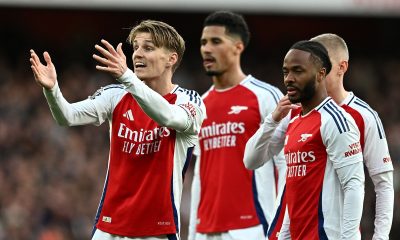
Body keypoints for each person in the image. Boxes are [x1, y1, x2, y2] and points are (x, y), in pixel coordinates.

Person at [29, 19, 206, 240]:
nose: (137, 54)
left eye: (148, 48)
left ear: (172, 58)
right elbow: (67, 116)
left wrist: (127, 77)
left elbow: (167, 116)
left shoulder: (189, 101)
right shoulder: (116, 95)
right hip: (109, 228)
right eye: (136, 47)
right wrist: (52, 90)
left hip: (158, 231)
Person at [244, 40, 365, 239]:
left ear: (321, 74)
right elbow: (251, 161)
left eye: (298, 71)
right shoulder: (293, 121)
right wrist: (272, 119)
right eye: (285, 72)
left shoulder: (336, 120)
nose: (289, 79)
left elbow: (354, 185)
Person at [188, 10, 286, 240]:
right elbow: (199, 176)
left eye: (215, 41)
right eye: (203, 42)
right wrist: (192, 233)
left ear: (238, 47)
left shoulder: (266, 96)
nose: (206, 49)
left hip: (252, 228)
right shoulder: (199, 105)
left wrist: (282, 227)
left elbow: (285, 163)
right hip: (206, 230)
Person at [310, 33, 394, 240]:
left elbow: (383, 183)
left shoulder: (364, 116)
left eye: (323, 64)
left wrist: (380, 237)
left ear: (342, 67)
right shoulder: (296, 114)